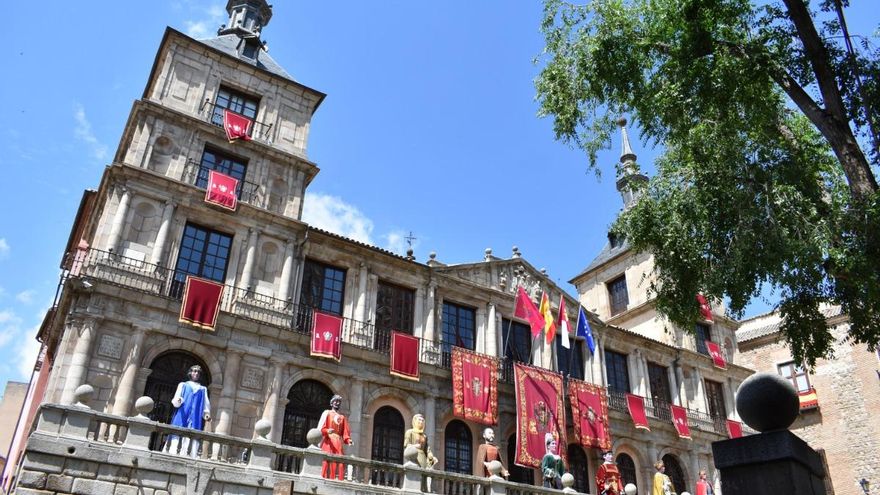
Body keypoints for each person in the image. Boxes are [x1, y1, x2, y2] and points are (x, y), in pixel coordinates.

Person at [165, 365, 211, 457]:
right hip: (182, 415)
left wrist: (206, 414)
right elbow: (175, 400)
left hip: (195, 417)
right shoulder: (183, 385)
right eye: (194, 371)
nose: (196, 373)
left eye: (198, 372)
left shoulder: (203, 389)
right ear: (190, 373)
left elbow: (206, 404)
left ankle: (190, 455)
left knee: (193, 435)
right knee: (178, 433)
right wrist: (178, 400)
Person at [318, 394, 353, 479]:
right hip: (328, 441)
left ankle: (336, 479)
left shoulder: (342, 417)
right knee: (326, 461)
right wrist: (327, 431)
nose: (337, 403)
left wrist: (348, 440)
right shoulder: (327, 413)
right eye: (335, 401)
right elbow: (321, 429)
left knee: (339, 462)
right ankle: (324, 477)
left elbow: (345, 433)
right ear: (331, 403)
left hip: (338, 442)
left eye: (339, 402)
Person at [404, 414, 437, 491]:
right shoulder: (410, 432)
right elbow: (406, 445)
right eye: (419, 420)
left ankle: (423, 489)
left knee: (423, 475)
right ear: (414, 421)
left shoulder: (424, 435)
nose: (421, 422)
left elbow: (427, 448)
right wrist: (415, 446)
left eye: (422, 420)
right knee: (415, 472)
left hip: (423, 457)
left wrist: (430, 455)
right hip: (414, 455)